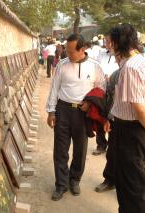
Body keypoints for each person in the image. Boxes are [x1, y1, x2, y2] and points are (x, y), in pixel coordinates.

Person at [106, 23, 145, 213]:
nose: (107, 45)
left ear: (115, 43)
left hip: (131, 130)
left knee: (133, 184)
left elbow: (138, 107)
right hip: (133, 128)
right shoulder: (140, 60)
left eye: (108, 41)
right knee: (127, 179)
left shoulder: (130, 67)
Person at [46, 34, 105, 201]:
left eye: (72, 51)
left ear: (83, 49)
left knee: (80, 149)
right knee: (60, 150)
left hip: (82, 113)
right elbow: (54, 89)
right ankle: (61, 184)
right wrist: (51, 112)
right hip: (63, 110)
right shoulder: (62, 65)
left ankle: (74, 180)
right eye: (67, 50)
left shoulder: (95, 67)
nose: (68, 54)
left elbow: (101, 89)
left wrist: (90, 103)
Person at [92, 34, 119, 156]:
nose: (107, 44)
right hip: (102, 90)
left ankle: (113, 147)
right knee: (100, 117)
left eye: (109, 41)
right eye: (106, 41)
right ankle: (101, 144)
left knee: (113, 118)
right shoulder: (101, 54)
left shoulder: (120, 55)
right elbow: (96, 70)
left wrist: (112, 79)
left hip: (115, 92)